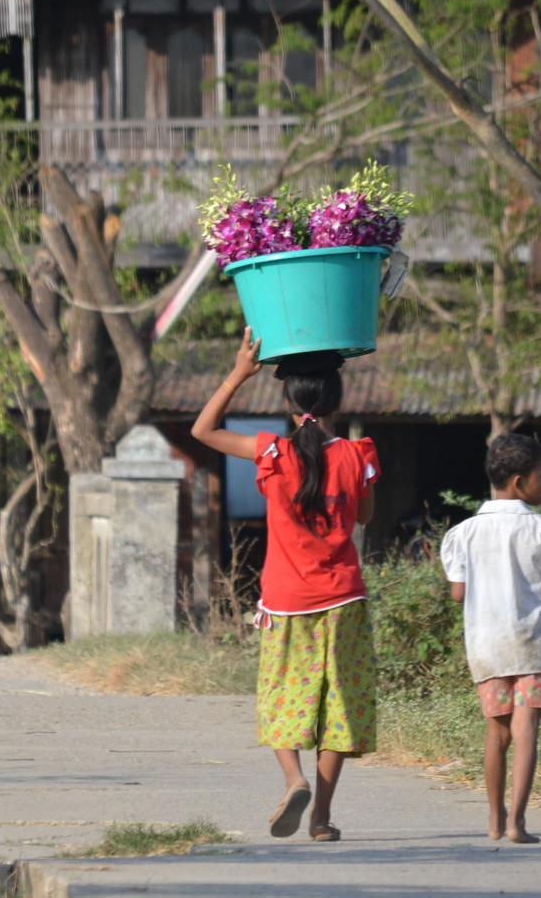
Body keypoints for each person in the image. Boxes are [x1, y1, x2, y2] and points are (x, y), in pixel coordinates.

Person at [191, 326, 380, 843]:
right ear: (338, 401)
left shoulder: (272, 454)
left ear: (289, 403)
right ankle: (320, 818)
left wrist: (237, 374)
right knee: (339, 704)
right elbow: (364, 516)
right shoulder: (359, 455)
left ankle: (293, 778)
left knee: (282, 698)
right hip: (344, 599)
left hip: (286, 602)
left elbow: (203, 432)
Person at [440, 433, 541, 843]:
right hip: (532, 644)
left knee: (496, 733)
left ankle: (494, 820)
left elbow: (458, 592)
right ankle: (519, 822)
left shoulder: (462, 534)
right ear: (520, 482)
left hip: (486, 644)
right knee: (527, 729)